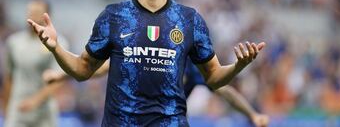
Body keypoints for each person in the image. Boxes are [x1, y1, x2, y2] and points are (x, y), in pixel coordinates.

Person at [27, 0, 266, 126]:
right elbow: (82, 70)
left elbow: (213, 78)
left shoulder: (189, 19)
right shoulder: (114, 16)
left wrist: (238, 66)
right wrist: (56, 48)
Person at [44, 60, 269, 127]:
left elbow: (227, 93)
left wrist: (252, 115)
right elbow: (99, 68)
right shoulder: (148, 60)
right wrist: (62, 76)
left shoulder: (193, 69)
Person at [2, 0, 67, 127]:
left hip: (44, 113)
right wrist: (6, 106)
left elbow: (59, 79)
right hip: (18, 110)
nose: (32, 15)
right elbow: (9, 77)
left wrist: (34, 101)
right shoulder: (14, 42)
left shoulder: (57, 43)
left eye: (37, 12)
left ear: (47, 15)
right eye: (29, 11)